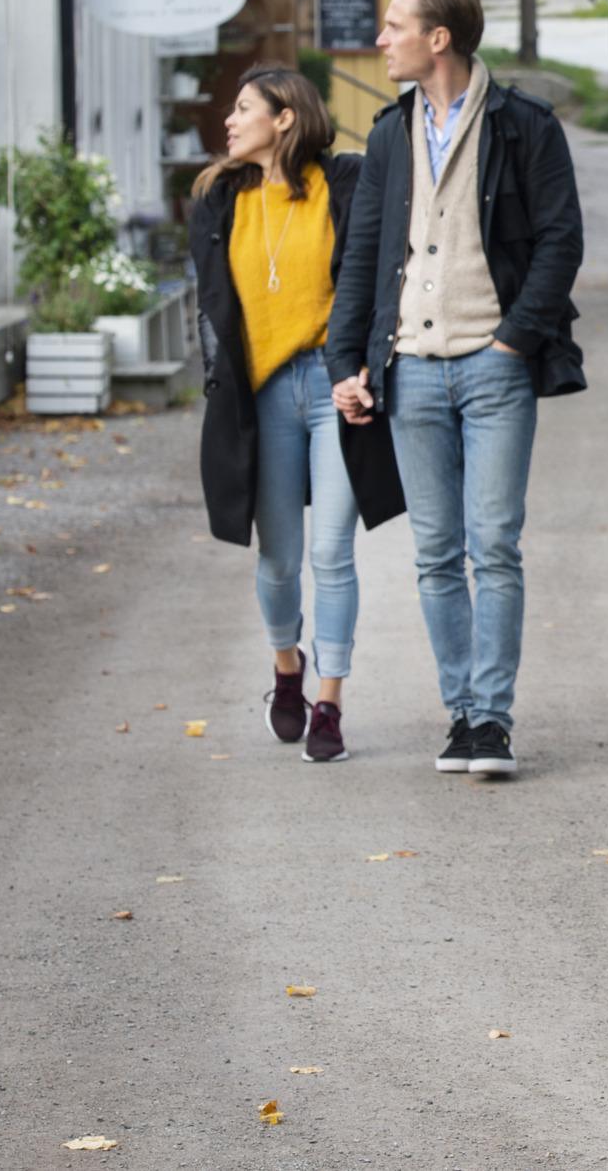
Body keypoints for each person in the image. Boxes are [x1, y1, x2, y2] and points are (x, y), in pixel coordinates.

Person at [328, 0, 585, 779]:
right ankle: (464, 716)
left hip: (492, 367)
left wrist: (515, 339)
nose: (382, 38)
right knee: (437, 552)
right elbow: (362, 255)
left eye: (395, 24)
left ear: (439, 38)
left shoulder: (523, 126)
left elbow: (560, 241)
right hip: (410, 372)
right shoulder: (389, 134)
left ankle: (494, 723)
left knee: (494, 546)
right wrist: (349, 360)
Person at [190, 67, 405, 763]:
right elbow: (214, 309)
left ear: (285, 117)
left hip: (332, 386)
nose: (229, 119)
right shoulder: (220, 198)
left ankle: (330, 704)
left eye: (244, 106)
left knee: (331, 552)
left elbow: (374, 278)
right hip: (263, 394)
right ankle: (288, 670)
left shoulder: (343, 183)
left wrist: (367, 365)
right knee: (280, 559)